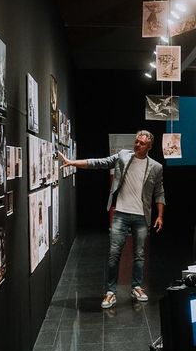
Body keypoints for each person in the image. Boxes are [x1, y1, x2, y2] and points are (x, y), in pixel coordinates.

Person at [59, 131, 165, 310]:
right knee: (114, 254)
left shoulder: (156, 167)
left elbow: (159, 191)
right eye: (136, 141)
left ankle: (136, 287)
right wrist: (72, 163)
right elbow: (99, 163)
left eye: (142, 143)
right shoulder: (123, 156)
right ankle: (110, 292)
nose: (137, 145)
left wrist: (160, 215)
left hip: (141, 216)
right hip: (121, 213)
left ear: (149, 147)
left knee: (139, 255)